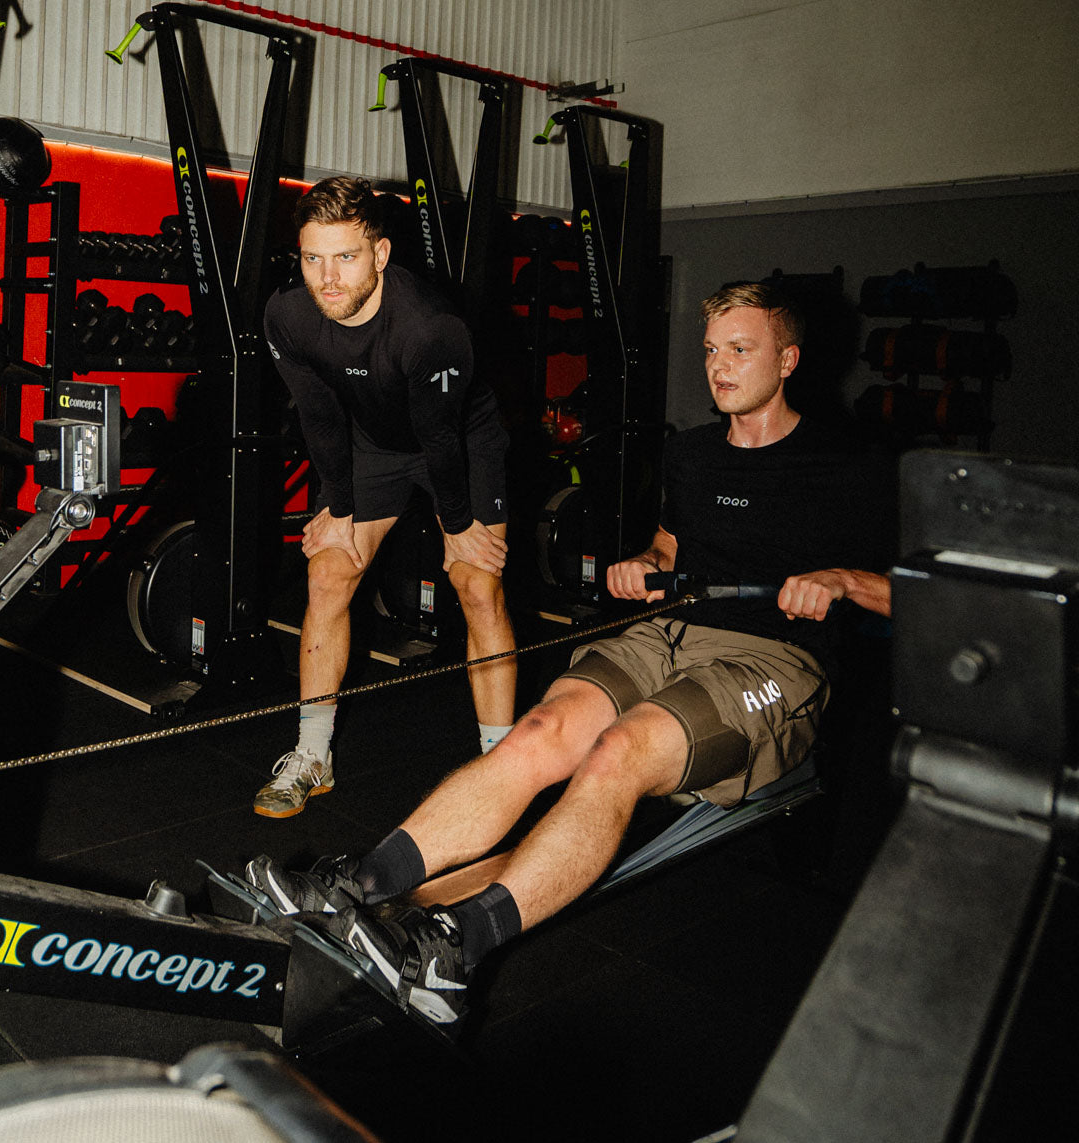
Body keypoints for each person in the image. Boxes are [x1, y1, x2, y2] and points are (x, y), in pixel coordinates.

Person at [238, 280, 893, 1026]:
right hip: (669, 634)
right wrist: (643, 563)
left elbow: (918, 592)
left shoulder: (846, 464)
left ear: (788, 359)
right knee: (540, 733)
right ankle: (358, 883)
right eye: (713, 350)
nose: (719, 366)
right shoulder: (692, 453)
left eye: (740, 350)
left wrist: (842, 580)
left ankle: (455, 945)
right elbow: (670, 547)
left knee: (618, 752)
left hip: (773, 660)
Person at [253, 176, 517, 819]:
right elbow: (318, 415)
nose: (327, 278)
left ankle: (502, 766)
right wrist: (339, 511)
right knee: (328, 574)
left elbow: (439, 437)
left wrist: (459, 525)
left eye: (345, 257)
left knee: (477, 584)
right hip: (374, 445)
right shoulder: (287, 315)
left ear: (380, 253)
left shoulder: (430, 327)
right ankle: (312, 755)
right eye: (313, 258)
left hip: (461, 444)